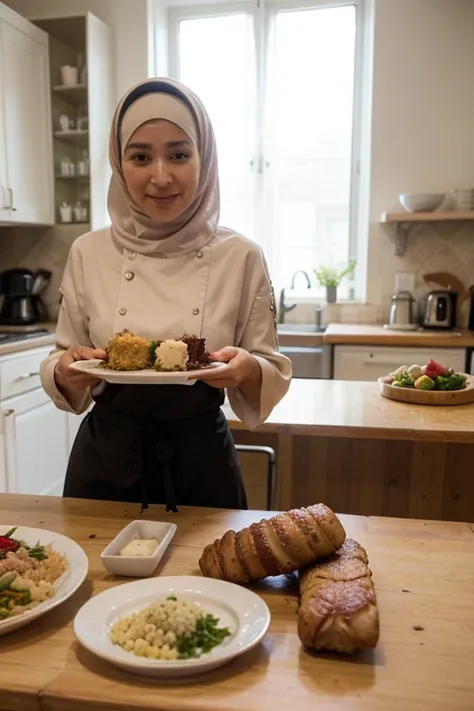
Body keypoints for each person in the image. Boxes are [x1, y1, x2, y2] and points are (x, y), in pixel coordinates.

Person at [40, 77, 292, 512]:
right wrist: (64, 371)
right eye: (140, 156)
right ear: (119, 164)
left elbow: (269, 366)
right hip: (105, 461)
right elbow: (62, 358)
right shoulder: (88, 252)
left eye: (179, 154)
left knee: (209, 578)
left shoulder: (241, 256)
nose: (161, 176)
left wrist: (247, 369)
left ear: (205, 158)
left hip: (201, 462)